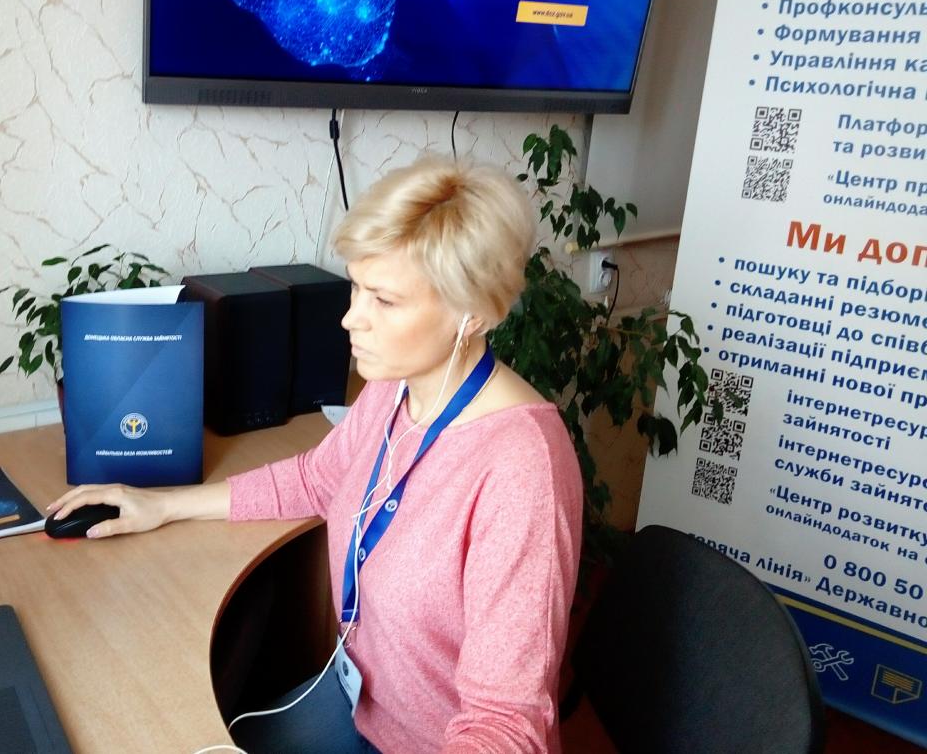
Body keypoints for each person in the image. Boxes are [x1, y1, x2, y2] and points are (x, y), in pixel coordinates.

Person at [48, 155, 583, 753]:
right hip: (360, 704)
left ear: (473, 313)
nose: (351, 318)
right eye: (356, 286)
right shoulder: (397, 386)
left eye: (384, 300)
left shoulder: (522, 468)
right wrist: (164, 504)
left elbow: (506, 729)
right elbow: (317, 478)